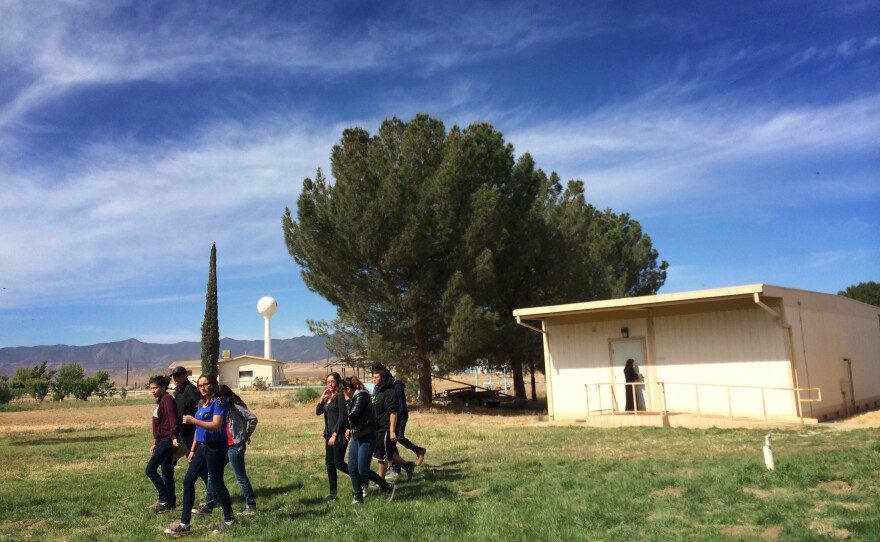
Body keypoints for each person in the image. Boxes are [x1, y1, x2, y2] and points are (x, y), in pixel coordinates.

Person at [164, 374, 235, 535]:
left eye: (205, 384)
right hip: (202, 448)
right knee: (188, 482)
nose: (202, 388)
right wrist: (193, 450)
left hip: (216, 447)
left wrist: (193, 421)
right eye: (199, 385)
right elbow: (199, 430)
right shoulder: (201, 402)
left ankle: (229, 520)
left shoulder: (219, 401)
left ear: (212, 385)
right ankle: (185, 524)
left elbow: (216, 426)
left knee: (217, 482)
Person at [203, 385, 259, 515]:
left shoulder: (235, 407)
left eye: (217, 396)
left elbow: (253, 418)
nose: (215, 399)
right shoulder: (218, 408)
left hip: (235, 446)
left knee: (240, 477)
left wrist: (246, 434)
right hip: (222, 446)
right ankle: (208, 505)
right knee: (212, 474)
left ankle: (251, 506)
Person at [342, 375, 395, 504]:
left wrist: (347, 401)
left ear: (348, 389)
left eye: (344, 390)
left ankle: (387, 486)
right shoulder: (356, 396)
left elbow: (351, 415)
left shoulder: (362, 396)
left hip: (366, 436)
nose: (343, 393)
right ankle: (358, 496)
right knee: (352, 468)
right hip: (356, 436)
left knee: (363, 470)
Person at [370, 363, 426, 479]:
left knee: (396, 439)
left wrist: (394, 425)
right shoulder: (379, 387)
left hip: (397, 418)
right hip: (381, 422)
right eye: (373, 375)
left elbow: (400, 406)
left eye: (375, 374)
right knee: (388, 447)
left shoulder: (396, 385)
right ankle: (403, 466)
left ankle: (394, 470)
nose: (373, 377)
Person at [170, 366, 210, 514]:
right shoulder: (179, 391)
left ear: (185, 375)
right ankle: (166, 498)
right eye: (173, 376)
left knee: (197, 465)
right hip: (180, 433)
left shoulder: (190, 390)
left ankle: (212, 495)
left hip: (190, 433)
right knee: (169, 463)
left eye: (178, 375)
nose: (175, 378)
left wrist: (190, 418)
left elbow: (197, 408)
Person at [146, 375, 180, 513]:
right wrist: (155, 442)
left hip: (167, 440)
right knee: (166, 471)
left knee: (150, 469)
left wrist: (173, 437)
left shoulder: (167, 399)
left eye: (155, 388)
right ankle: (171, 502)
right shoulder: (160, 401)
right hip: (162, 440)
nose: (153, 391)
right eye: (151, 388)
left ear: (163, 387)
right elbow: (159, 424)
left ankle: (163, 498)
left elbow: (173, 420)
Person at [316, 372, 349, 500]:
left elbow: (342, 417)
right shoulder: (328, 397)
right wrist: (321, 399)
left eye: (332, 381)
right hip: (328, 435)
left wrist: (335, 434)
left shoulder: (340, 396)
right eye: (328, 382)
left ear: (337, 382)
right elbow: (318, 412)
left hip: (338, 435)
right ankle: (333, 493)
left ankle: (361, 479)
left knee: (339, 463)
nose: (330, 384)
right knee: (329, 464)